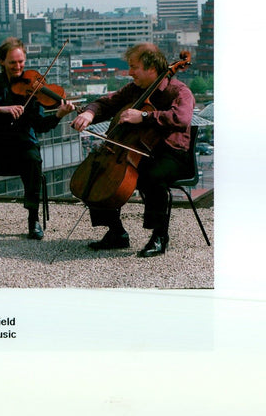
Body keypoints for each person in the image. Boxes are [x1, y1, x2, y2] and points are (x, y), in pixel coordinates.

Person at [71, 43, 195, 258]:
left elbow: (181, 118)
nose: (129, 72)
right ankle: (116, 232)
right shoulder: (134, 89)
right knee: (100, 173)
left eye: (133, 67)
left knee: (151, 176)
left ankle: (159, 236)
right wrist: (90, 113)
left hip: (172, 153)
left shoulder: (179, 91)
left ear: (151, 68)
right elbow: (106, 103)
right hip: (136, 151)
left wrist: (145, 116)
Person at [0, 37, 76, 240]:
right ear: (1, 61)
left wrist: (59, 115)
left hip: (24, 146)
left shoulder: (33, 87)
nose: (18, 67)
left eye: (21, 62)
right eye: (13, 62)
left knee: (33, 161)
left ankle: (33, 219)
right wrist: (0, 109)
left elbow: (40, 125)